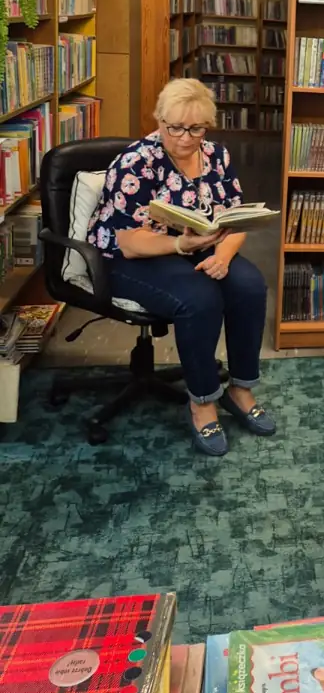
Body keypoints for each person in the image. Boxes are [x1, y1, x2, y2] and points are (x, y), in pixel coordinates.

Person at [86, 78, 271, 457]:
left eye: (196, 129)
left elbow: (235, 219)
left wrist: (222, 257)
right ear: (159, 120)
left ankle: (240, 388)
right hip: (131, 257)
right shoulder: (136, 162)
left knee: (249, 285)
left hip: (196, 248)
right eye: (175, 128)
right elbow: (129, 241)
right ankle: (202, 402)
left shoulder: (216, 155)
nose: (186, 138)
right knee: (199, 298)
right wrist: (178, 244)